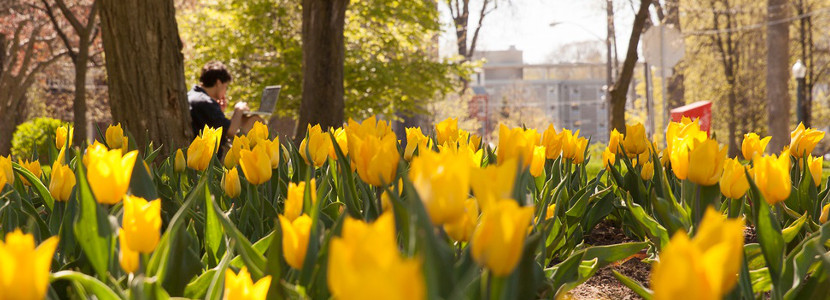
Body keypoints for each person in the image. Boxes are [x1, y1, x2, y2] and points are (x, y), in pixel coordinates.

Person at [188, 61, 263, 153]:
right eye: (226, 86)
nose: (225, 91)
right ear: (218, 83)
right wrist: (239, 110)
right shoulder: (205, 102)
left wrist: (219, 110)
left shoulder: (193, 96)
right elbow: (231, 130)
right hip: (206, 160)